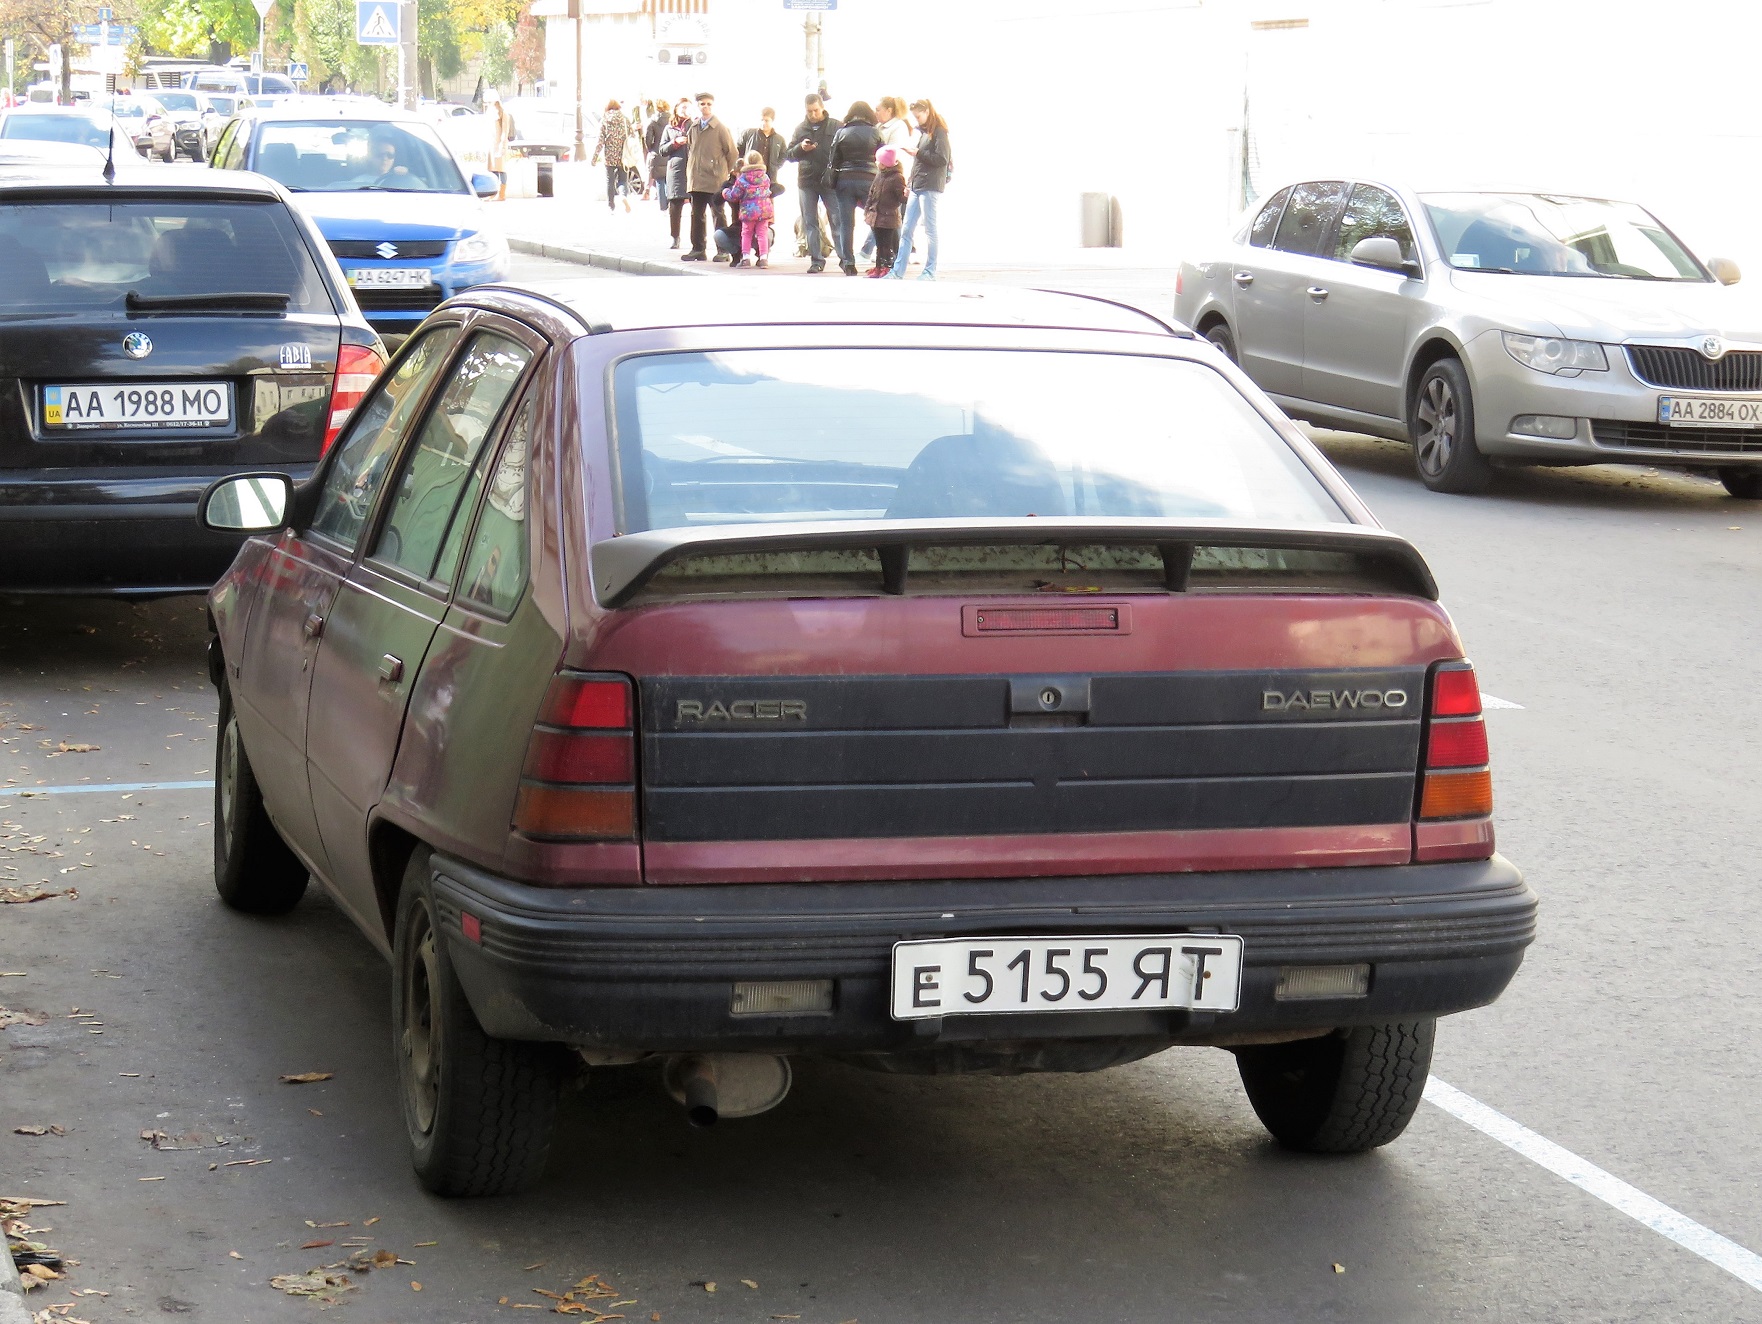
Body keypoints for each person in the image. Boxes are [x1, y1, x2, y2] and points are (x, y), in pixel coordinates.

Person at [888, 98, 951, 281]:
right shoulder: (924, 133)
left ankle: (930, 271)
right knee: (906, 229)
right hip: (918, 185)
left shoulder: (939, 132)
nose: (917, 119)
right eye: (915, 116)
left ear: (927, 112)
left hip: (930, 186)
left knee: (930, 229)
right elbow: (919, 162)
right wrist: (910, 183)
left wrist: (918, 153)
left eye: (919, 116)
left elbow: (942, 159)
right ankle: (897, 271)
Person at [784, 93, 838, 273]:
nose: (813, 114)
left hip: (829, 180)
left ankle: (846, 258)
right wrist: (801, 148)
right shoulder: (800, 129)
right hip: (807, 180)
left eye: (816, 110)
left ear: (822, 107)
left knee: (836, 220)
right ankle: (816, 260)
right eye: (809, 111)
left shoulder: (835, 126)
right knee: (810, 221)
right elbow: (788, 154)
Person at [683, 92, 737, 263]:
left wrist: (723, 172)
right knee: (696, 215)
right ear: (698, 106)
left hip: (715, 180)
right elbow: (690, 150)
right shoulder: (693, 127)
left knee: (718, 215)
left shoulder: (720, 128)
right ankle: (698, 249)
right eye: (702, 104)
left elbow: (732, 153)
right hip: (696, 179)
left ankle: (723, 250)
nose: (705, 107)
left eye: (708, 104)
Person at [826, 100, 878, 276]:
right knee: (875, 219)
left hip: (845, 180)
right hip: (869, 180)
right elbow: (883, 156)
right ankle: (883, 259)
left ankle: (848, 263)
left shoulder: (841, 132)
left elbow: (833, 160)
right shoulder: (875, 132)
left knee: (846, 224)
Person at [860, 96, 912, 261]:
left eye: (878, 109)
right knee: (883, 217)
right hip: (882, 175)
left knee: (887, 217)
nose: (875, 113)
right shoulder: (878, 127)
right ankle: (882, 253)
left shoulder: (897, 127)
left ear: (889, 110)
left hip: (893, 176)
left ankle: (877, 253)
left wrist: (881, 161)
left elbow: (894, 152)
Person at [722, 149, 775, 269]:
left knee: (746, 233)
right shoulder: (765, 177)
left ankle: (746, 258)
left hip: (749, 211)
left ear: (746, 163)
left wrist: (725, 192)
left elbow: (734, 195)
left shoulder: (742, 179)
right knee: (762, 234)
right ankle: (763, 259)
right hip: (764, 210)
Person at [864, 145, 906, 277]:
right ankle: (879, 266)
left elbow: (900, 198)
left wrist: (906, 195)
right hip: (876, 216)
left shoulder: (897, 178)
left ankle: (887, 266)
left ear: (885, 163)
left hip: (888, 217)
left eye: (879, 161)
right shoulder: (879, 175)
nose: (877, 163)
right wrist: (867, 209)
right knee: (879, 244)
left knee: (886, 245)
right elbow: (871, 193)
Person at [661, 98, 692, 249]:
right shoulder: (669, 128)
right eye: (683, 107)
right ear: (676, 109)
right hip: (676, 171)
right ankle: (675, 237)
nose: (685, 110)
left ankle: (697, 241)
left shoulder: (694, 125)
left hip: (692, 170)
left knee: (697, 208)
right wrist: (675, 142)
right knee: (675, 207)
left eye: (688, 107)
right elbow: (662, 150)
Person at [593, 98, 631, 212]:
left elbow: (600, 141)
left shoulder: (604, 120)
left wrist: (594, 158)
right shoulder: (625, 119)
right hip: (623, 155)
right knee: (623, 180)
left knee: (610, 180)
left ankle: (611, 205)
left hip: (609, 156)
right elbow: (632, 135)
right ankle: (623, 196)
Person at [739, 107, 786, 182]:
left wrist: (775, 166)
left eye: (766, 120)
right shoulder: (748, 134)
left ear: (772, 121)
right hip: (748, 177)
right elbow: (738, 149)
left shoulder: (779, 139)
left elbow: (783, 155)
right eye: (761, 120)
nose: (763, 123)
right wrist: (742, 165)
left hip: (769, 178)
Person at [644, 97, 671, 210]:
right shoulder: (672, 119)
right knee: (670, 181)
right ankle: (670, 205)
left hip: (657, 153)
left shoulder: (652, 121)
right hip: (670, 153)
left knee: (660, 181)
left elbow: (648, 140)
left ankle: (663, 207)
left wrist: (652, 149)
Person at [485, 89, 513, 199]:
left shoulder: (503, 113)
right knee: (493, 169)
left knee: (501, 169)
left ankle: (501, 194)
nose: (487, 104)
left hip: (500, 144)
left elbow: (505, 130)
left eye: (489, 101)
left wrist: (502, 143)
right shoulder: (490, 112)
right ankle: (493, 193)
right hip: (491, 145)